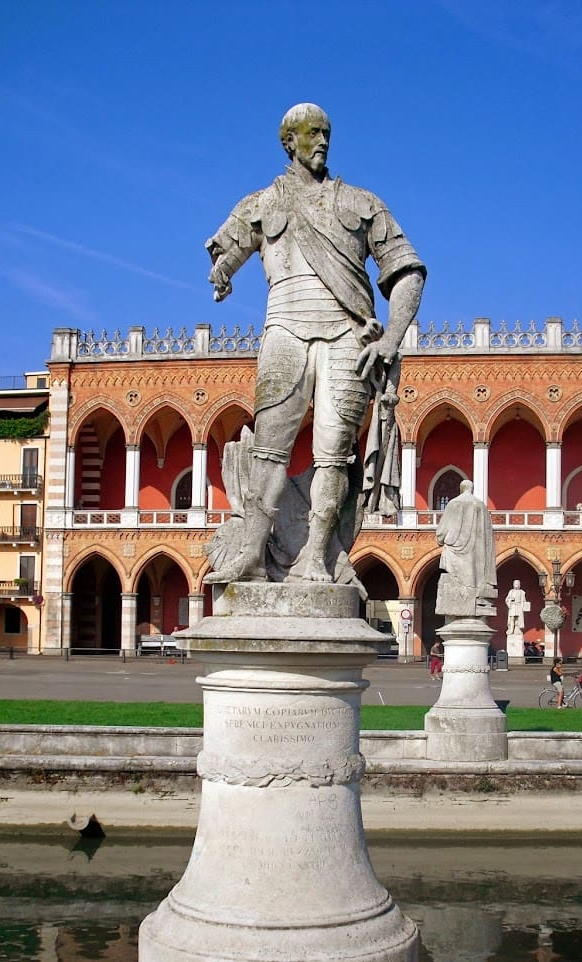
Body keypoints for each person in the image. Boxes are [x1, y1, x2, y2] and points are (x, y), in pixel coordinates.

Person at [203, 103, 426, 586]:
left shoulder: (361, 204)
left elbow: (407, 272)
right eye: (311, 134)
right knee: (268, 447)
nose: (321, 141)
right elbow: (225, 252)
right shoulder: (260, 204)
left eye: (326, 133)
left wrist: (390, 338)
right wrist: (221, 272)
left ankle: (316, 558)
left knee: (333, 454)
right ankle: (253, 552)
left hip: (348, 336)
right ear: (289, 141)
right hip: (284, 329)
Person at [435, 481, 498, 617]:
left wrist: (441, 538)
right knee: (473, 576)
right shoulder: (481, 505)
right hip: (477, 554)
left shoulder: (453, 503)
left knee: (456, 579)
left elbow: (442, 530)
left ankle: (462, 605)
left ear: (460, 489)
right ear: (472, 489)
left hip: (454, 551)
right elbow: (487, 536)